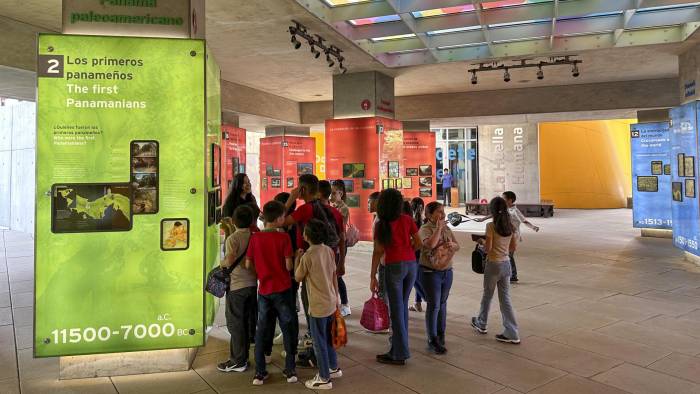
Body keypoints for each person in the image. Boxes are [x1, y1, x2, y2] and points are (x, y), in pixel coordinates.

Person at [283, 176, 345, 351]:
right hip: (330, 259)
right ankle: (327, 336)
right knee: (329, 296)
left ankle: (316, 341)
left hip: (309, 261)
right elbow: (342, 238)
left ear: (303, 189)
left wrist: (291, 198)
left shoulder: (304, 210)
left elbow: (279, 221)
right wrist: (341, 263)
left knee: (310, 300)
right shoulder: (335, 212)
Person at [246, 201, 298, 385]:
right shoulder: (283, 238)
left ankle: (260, 372)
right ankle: (290, 370)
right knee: (288, 327)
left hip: (264, 290)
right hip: (283, 289)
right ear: (277, 219)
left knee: (262, 329)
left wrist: (260, 274)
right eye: (283, 217)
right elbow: (289, 265)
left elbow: (248, 264)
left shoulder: (255, 238)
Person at [369, 189, 422, 365]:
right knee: (402, 308)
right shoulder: (407, 219)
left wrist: (372, 276)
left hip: (393, 267)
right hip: (410, 265)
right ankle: (398, 347)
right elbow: (419, 243)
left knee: (396, 311)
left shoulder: (381, 224)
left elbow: (378, 252)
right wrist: (407, 253)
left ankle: (399, 352)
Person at [294, 219, 344, 389]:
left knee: (318, 342)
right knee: (329, 338)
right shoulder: (329, 250)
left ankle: (324, 378)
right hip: (330, 301)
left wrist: (297, 259)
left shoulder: (308, 256)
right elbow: (333, 275)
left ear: (307, 236)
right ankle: (333, 367)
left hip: (317, 306)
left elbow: (298, 277)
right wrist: (337, 298)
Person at [471, 196, 520, 344]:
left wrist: (480, 242)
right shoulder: (511, 226)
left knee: (487, 295)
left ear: (492, 210)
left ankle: (482, 323)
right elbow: (513, 248)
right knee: (505, 299)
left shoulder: (491, 226)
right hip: (506, 265)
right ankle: (512, 331)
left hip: (493, 265)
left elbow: (488, 248)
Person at [217, 205, 256, 373]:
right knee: (246, 322)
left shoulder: (232, 239)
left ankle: (237, 361)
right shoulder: (254, 236)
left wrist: (222, 264)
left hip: (237, 286)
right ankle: (244, 357)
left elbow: (230, 258)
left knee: (235, 323)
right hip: (252, 284)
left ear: (233, 221)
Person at [418, 202, 459, 354]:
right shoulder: (425, 229)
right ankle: (432, 338)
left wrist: (451, 245)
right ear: (428, 215)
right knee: (434, 305)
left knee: (442, 303)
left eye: (443, 211)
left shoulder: (447, 228)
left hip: (447, 271)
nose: (442, 214)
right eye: (438, 212)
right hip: (430, 273)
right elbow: (430, 245)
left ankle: (441, 334)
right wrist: (439, 228)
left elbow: (457, 245)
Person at [475, 191, 539, 282]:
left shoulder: (515, 211)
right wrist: (483, 219)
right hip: (504, 234)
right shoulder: (503, 209)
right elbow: (494, 214)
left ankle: (513, 275)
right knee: (506, 254)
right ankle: (507, 274)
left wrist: (533, 227)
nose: (502, 200)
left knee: (509, 255)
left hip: (512, 235)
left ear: (510, 200)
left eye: (504, 198)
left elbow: (524, 221)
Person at [331, 180, 351, 317]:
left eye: (333, 193)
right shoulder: (333, 206)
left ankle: (345, 304)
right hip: (334, 244)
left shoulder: (343, 208)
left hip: (340, 244)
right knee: (333, 275)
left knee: (338, 276)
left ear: (341, 193)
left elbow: (339, 224)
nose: (331, 195)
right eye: (330, 192)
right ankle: (337, 303)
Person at [408, 197, 426, 313]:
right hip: (423, 254)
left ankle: (426, 298)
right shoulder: (424, 221)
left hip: (413, 254)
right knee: (418, 279)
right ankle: (417, 303)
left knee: (414, 280)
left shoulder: (410, 221)